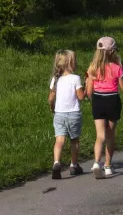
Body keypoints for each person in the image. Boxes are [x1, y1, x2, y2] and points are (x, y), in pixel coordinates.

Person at [85, 36, 123, 179]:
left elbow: (89, 91)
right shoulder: (117, 68)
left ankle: (97, 162)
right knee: (110, 135)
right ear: (112, 52)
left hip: (98, 100)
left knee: (100, 135)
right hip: (112, 100)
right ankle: (108, 165)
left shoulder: (92, 68)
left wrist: (94, 101)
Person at [48, 50, 86, 179]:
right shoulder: (75, 78)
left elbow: (51, 98)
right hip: (73, 114)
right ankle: (73, 165)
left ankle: (56, 162)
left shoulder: (55, 79)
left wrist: (52, 108)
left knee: (59, 140)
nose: (76, 63)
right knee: (74, 140)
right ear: (70, 63)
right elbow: (80, 97)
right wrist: (85, 88)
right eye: (75, 60)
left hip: (59, 114)